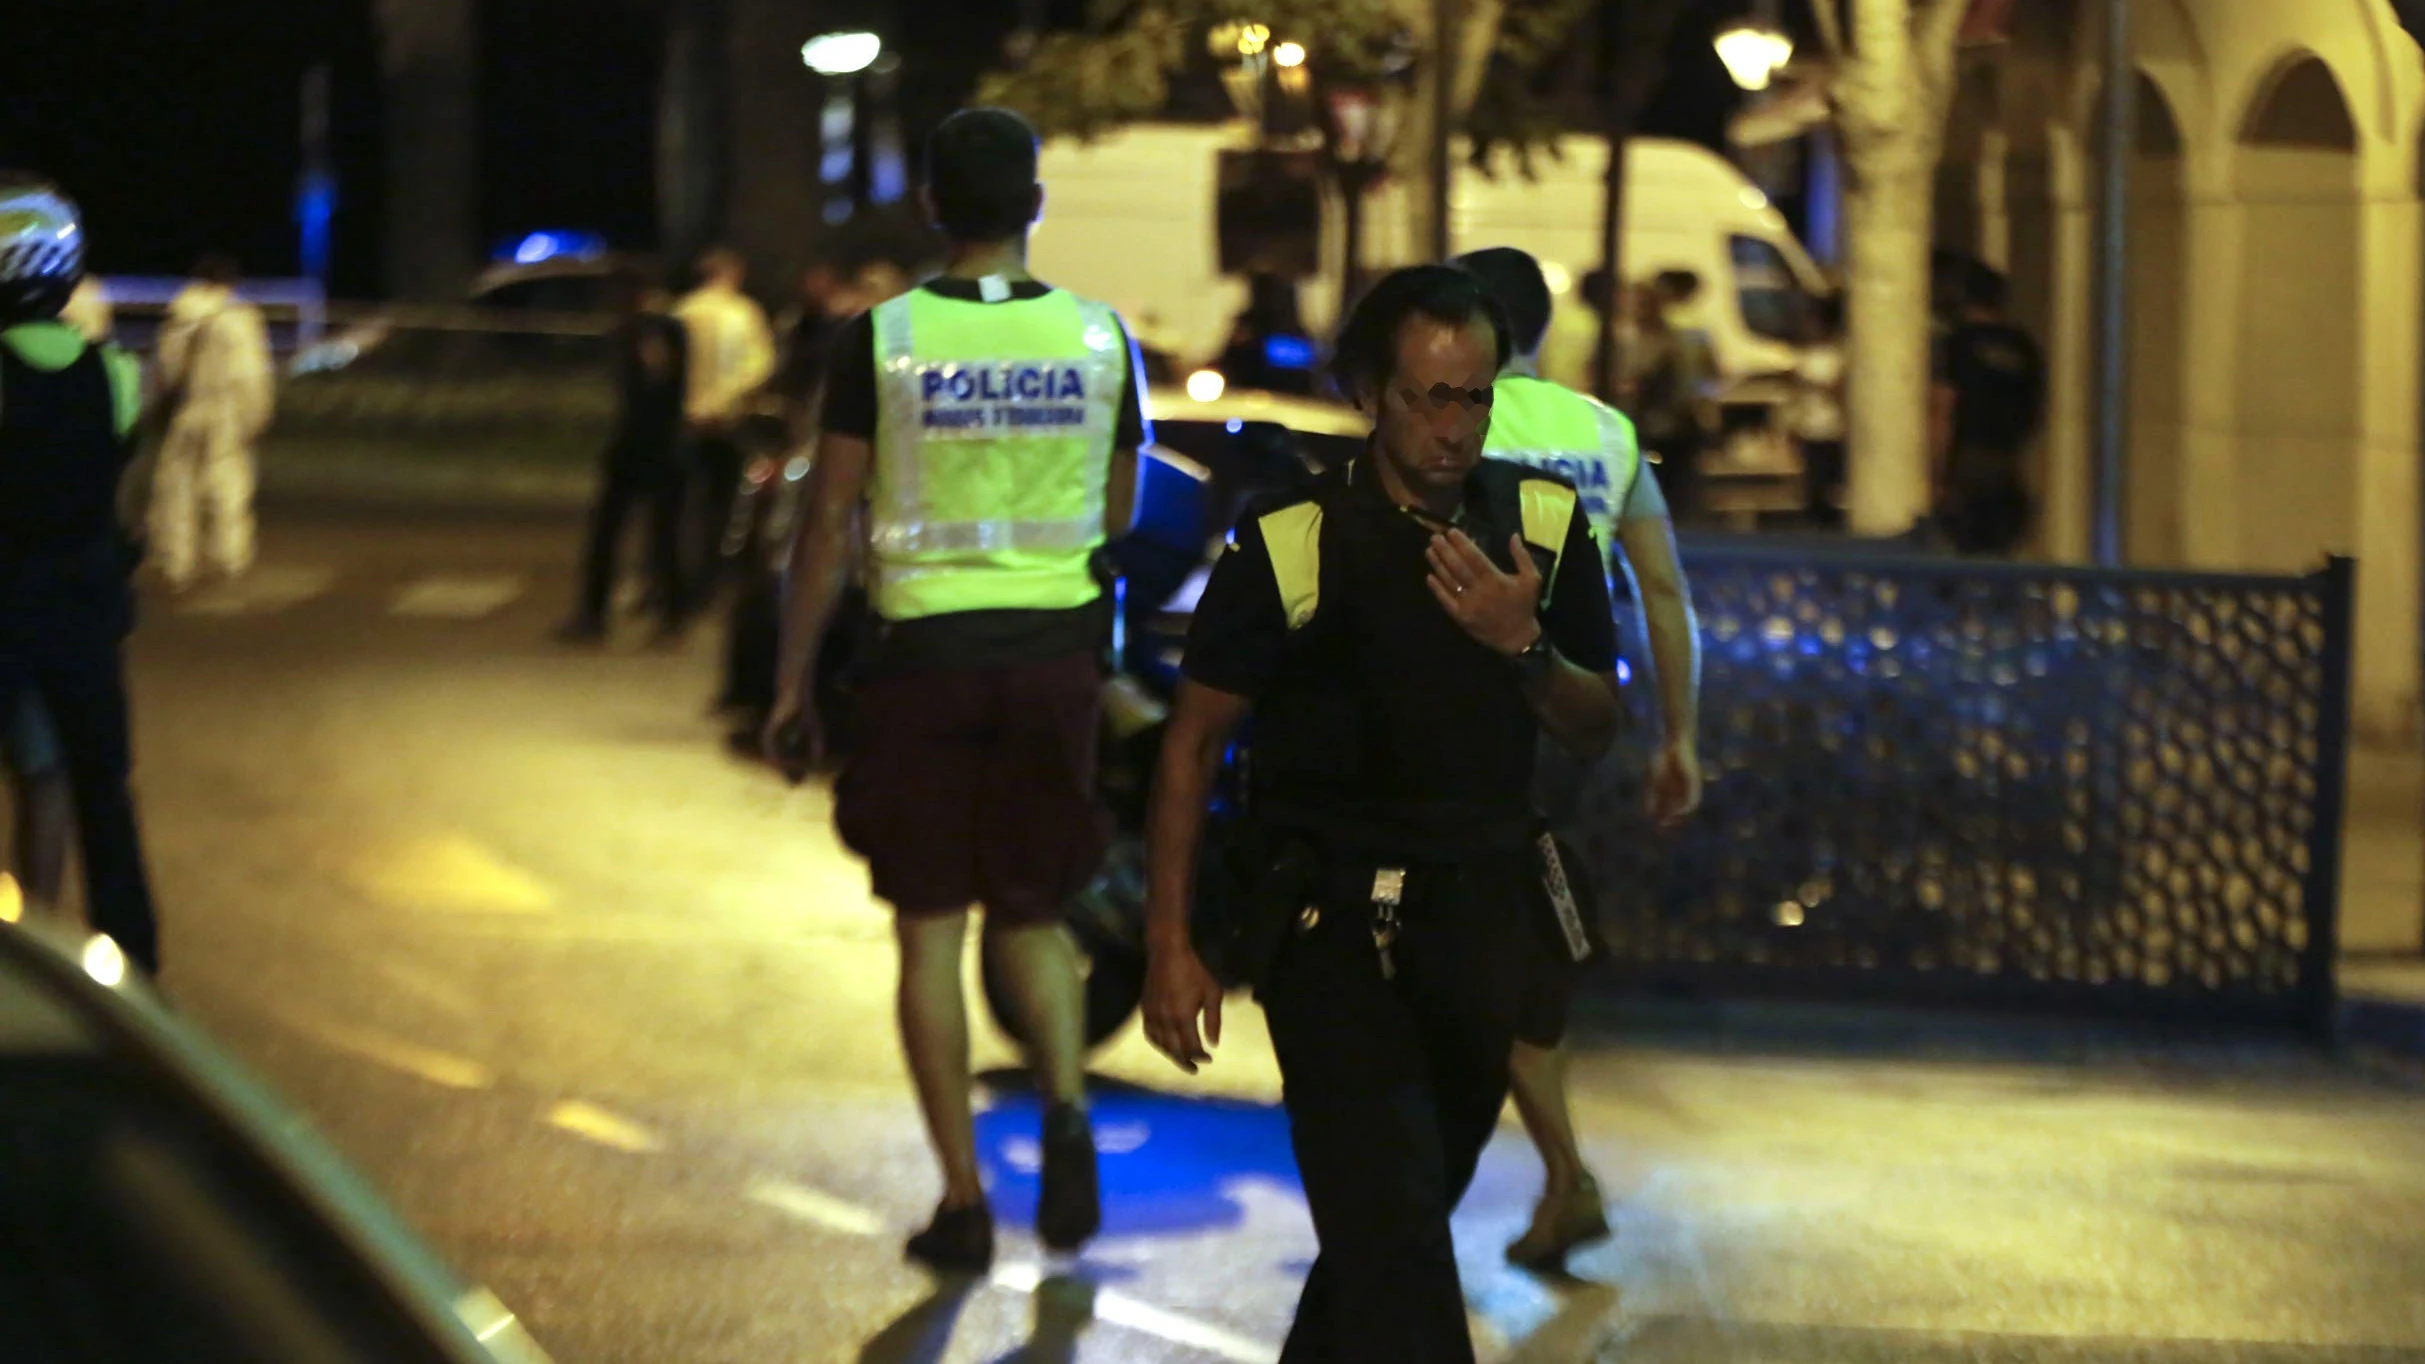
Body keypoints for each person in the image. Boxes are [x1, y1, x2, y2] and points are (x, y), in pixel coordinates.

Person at [1142, 265, 1625, 1362]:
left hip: (1480, 925)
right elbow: (1190, 744)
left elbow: (1598, 722)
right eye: (1427, 396)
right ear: (1372, 391)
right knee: (1398, 1239)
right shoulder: (1294, 537)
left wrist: (1524, 645)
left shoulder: (1539, 526)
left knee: (1386, 1234)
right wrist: (1171, 943)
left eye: (1474, 397)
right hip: (1329, 932)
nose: (1452, 427)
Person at [765, 107, 1148, 1272]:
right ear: (1034, 205)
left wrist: (793, 683)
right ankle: (1069, 1103)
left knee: (928, 931)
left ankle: (965, 1201)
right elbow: (1122, 509)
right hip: (1054, 659)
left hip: (922, 662)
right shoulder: (1097, 339)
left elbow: (827, 523)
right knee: (1032, 912)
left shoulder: (876, 342)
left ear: (932, 206)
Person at [1454, 246, 1704, 1271]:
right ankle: (1562, 1179)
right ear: (1545, 333)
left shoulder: (1448, 418)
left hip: (1470, 722)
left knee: (1486, 951)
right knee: (1519, 941)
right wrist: (1681, 735)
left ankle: (1558, 1174)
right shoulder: (1605, 431)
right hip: (1573, 723)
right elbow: (1664, 590)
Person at [0, 175, 163, 974]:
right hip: (84, 615)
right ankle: (120, 971)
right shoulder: (115, 375)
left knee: (34, 773)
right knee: (95, 791)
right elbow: (118, 493)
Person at [560, 272, 691, 643]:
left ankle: (602, 613)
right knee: (657, 532)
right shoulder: (661, 329)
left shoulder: (652, 330)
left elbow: (654, 382)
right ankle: (666, 613)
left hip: (647, 444)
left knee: (628, 531)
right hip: (654, 444)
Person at [153, 253, 273, 592]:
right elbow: (252, 374)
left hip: (188, 407)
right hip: (227, 410)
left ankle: (176, 561)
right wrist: (257, 414)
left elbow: (167, 366)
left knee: (176, 485)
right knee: (228, 482)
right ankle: (229, 557)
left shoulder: (179, 313)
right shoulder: (241, 317)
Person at [673, 246, 775, 612]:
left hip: (686, 421)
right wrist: (728, 402)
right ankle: (710, 581)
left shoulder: (683, 312)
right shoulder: (744, 313)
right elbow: (760, 365)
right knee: (722, 505)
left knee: (684, 505)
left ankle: (677, 582)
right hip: (729, 422)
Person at [1931, 260, 2046, 556]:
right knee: (2000, 550)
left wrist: (1938, 473)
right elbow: (2036, 408)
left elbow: (1944, 407)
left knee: (1963, 551)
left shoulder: (1960, 342)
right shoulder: (2023, 346)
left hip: (1968, 461)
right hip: (2009, 463)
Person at [1789, 292, 1848, 529]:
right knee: (1811, 478)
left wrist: (1813, 385)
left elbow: (1841, 390)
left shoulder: (1839, 356)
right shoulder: (1804, 355)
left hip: (1830, 427)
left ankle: (1827, 521)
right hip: (1808, 425)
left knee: (1827, 479)